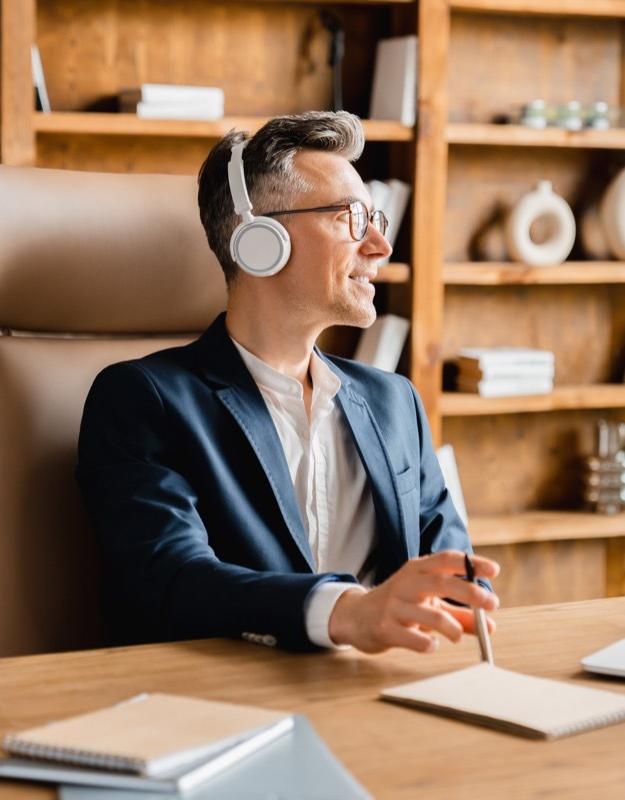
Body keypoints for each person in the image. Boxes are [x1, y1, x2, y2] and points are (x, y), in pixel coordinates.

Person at [76, 110, 498, 655]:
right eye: (350, 217)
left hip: (389, 693)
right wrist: (347, 613)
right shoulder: (143, 399)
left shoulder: (393, 401)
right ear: (259, 239)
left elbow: (456, 578)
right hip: (224, 703)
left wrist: (464, 602)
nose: (379, 246)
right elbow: (171, 580)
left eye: (377, 220)